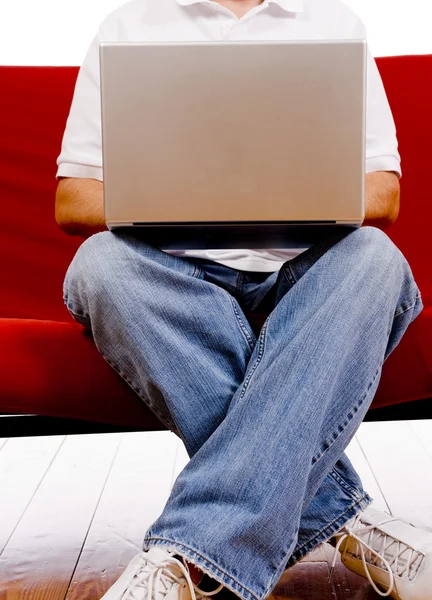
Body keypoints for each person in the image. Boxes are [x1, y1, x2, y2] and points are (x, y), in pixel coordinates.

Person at [55, 0, 430, 599]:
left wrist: (280, 200)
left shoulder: (335, 25)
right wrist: (202, 203)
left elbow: (383, 194)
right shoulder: (128, 27)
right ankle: (343, 518)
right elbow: (73, 202)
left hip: (308, 272)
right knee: (99, 265)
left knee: (376, 260)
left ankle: (186, 552)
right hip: (172, 275)